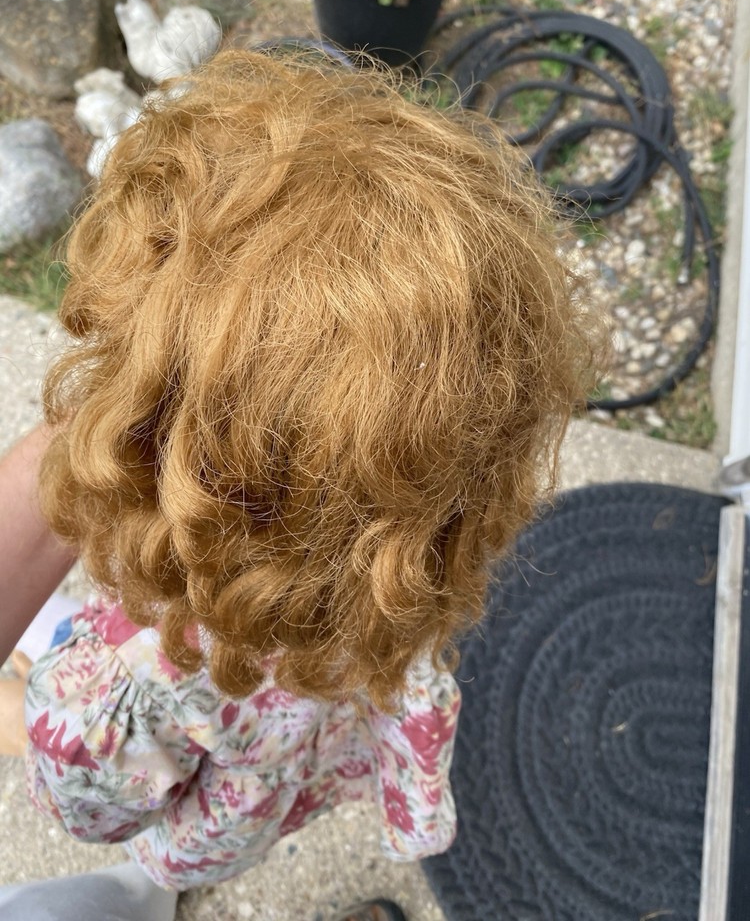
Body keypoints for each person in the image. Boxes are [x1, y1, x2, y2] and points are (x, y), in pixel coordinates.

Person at [0, 47, 596, 918]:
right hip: (277, 777)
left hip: (181, 787)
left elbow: (83, 804)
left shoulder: (125, 682)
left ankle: (145, 894)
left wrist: (25, 705)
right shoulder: (407, 566)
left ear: (146, 432)